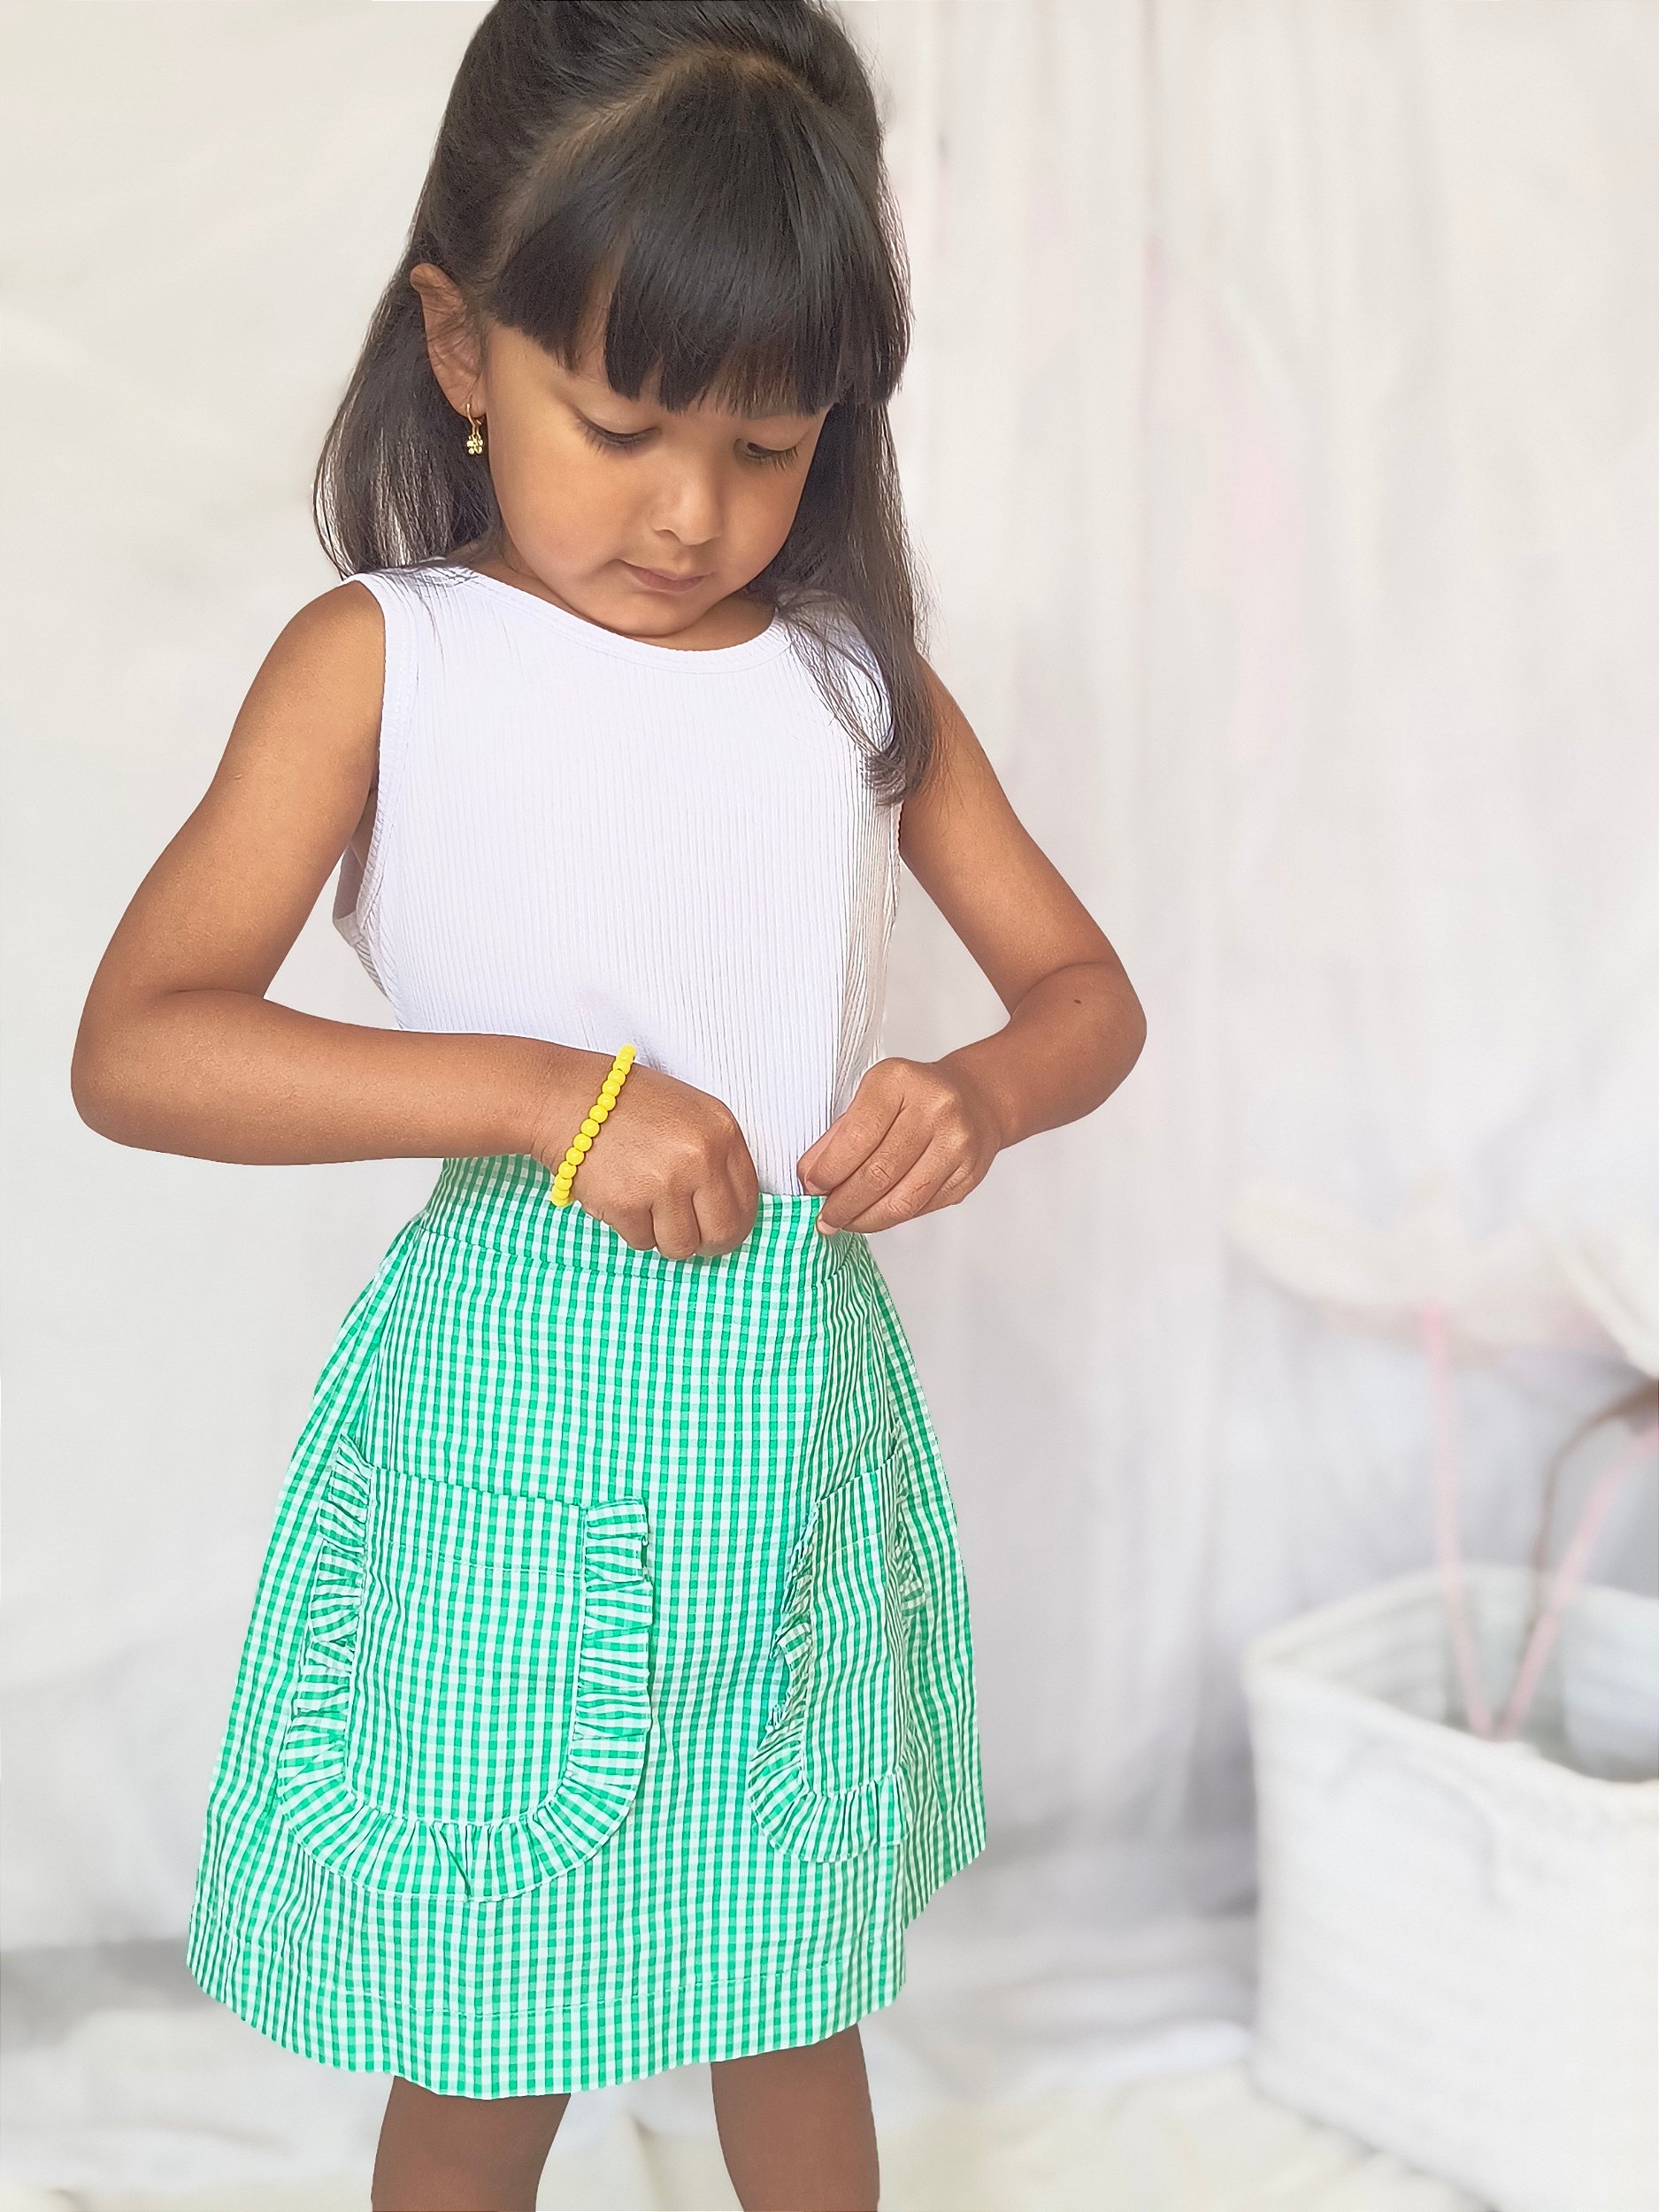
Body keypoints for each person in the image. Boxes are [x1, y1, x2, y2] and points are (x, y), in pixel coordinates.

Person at [70, 4, 1146, 2207]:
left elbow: (1083, 993)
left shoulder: (849, 683)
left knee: (785, 1967)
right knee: (497, 1988)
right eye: (624, 422)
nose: (690, 510)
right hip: (510, 1435)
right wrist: (553, 1096)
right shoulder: (384, 663)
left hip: (782, 1417)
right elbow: (141, 1041)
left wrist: (978, 1091)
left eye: (767, 444)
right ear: (459, 346)